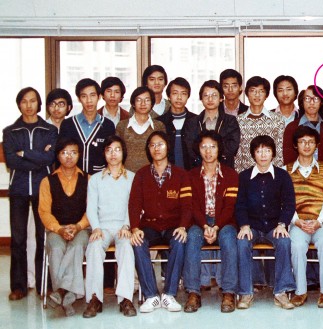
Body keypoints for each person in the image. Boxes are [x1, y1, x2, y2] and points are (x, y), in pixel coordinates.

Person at [3, 87, 57, 301]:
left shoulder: (49, 129)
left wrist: (25, 153)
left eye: (32, 101)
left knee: (44, 237)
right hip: (18, 189)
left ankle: (46, 283)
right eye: (24, 101)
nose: (28, 105)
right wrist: (37, 156)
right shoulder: (10, 131)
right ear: (19, 104)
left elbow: (49, 158)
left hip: (43, 188)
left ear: (38, 104)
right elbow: (11, 161)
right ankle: (19, 286)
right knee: (18, 239)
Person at [129, 131, 192, 313]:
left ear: (168, 147)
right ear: (148, 149)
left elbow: (187, 205)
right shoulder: (141, 175)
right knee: (138, 242)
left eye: (161, 144)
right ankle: (151, 296)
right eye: (152, 145)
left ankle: (169, 294)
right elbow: (134, 205)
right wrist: (134, 228)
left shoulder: (181, 175)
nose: (157, 148)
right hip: (150, 224)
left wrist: (183, 226)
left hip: (173, 224)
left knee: (180, 241)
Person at [236, 135, 296, 310]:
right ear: (253, 154)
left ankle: (281, 292)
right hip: (252, 226)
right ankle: (246, 292)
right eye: (259, 151)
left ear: (273, 154)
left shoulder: (283, 176)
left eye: (267, 151)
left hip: (274, 226)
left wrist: (282, 224)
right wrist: (244, 225)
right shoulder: (244, 177)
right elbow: (239, 204)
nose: (263, 155)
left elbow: (289, 203)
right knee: (241, 242)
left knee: (284, 241)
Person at [183, 131, 240, 313]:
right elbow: (191, 206)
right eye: (204, 147)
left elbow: (230, 207)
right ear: (198, 150)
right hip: (200, 222)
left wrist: (215, 226)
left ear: (219, 149)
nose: (208, 151)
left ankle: (229, 292)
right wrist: (205, 225)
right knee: (192, 238)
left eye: (212, 146)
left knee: (230, 239)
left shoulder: (231, 175)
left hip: (224, 221)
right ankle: (193, 292)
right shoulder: (190, 176)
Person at [83, 135, 136, 318]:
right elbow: (91, 207)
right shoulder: (96, 179)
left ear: (124, 153)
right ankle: (94, 299)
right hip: (102, 227)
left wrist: (127, 225)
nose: (113, 154)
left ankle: (125, 298)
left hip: (123, 226)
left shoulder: (132, 178)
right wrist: (96, 228)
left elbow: (134, 206)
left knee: (127, 247)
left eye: (117, 149)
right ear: (104, 154)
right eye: (109, 150)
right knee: (94, 247)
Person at [38, 138, 90, 316]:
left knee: (76, 246)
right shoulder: (47, 181)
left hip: (82, 228)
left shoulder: (88, 179)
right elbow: (44, 211)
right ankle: (68, 295)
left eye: (73, 152)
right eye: (64, 152)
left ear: (79, 155)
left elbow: (91, 210)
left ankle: (60, 291)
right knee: (57, 247)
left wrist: (78, 226)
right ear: (58, 155)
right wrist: (59, 229)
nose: (69, 157)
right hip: (56, 229)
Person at [286, 126, 323, 308]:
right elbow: (286, 201)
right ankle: (300, 291)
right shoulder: (286, 170)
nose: (306, 145)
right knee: (297, 245)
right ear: (295, 145)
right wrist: (296, 221)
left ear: (317, 145)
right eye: (302, 142)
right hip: (298, 223)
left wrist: (319, 221)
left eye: (310, 142)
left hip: (321, 223)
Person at [59, 78, 116, 174]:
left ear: (99, 97)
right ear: (79, 98)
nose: (89, 100)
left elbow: (111, 155)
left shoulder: (108, 125)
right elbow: (60, 154)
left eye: (92, 95)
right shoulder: (68, 124)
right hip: (73, 179)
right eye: (84, 96)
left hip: (99, 179)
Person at [183, 80, 240, 169]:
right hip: (199, 170)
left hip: (225, 169)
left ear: (221, 98)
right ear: (201, 99)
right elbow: (190, 148)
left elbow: (232, 145)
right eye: (206, 95)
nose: (210, 99)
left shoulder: (230, 121)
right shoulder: (192, 122)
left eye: (214, 95)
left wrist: (213, 158)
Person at [234, 76, 285, 173]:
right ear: (247, 94)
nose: (257, 95)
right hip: (247, 175)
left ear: (266, 95)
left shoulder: (277, 119)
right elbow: (238, 154)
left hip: (270, 174)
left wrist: (277, 175)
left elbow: (279, 152)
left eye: (261, 91)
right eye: (253, 91)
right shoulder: (238, 120)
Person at [116, 86, 166, 172]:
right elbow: (117, 153)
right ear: (133, 103)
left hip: (151, 176)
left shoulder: (159, 126)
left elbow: (163, 154)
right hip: (126, 176)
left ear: (152, 103)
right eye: (139, 100)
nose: (143, 104)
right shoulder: (122, 126)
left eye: (147, 100)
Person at [283, 85, 323, 164]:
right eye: (307, 98)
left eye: (316, 99)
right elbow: (288, 160)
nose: (312, 102)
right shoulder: (291, 128)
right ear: (302, 102)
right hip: (298, 175)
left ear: (321, 102)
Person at [156, 77, 198, 169]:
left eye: (183, 94)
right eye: (175, 93)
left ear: (188, 96)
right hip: (167, 174)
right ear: (169, 96)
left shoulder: (196, 121)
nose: (179, 97)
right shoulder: (159, 122)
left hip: (192, 174)